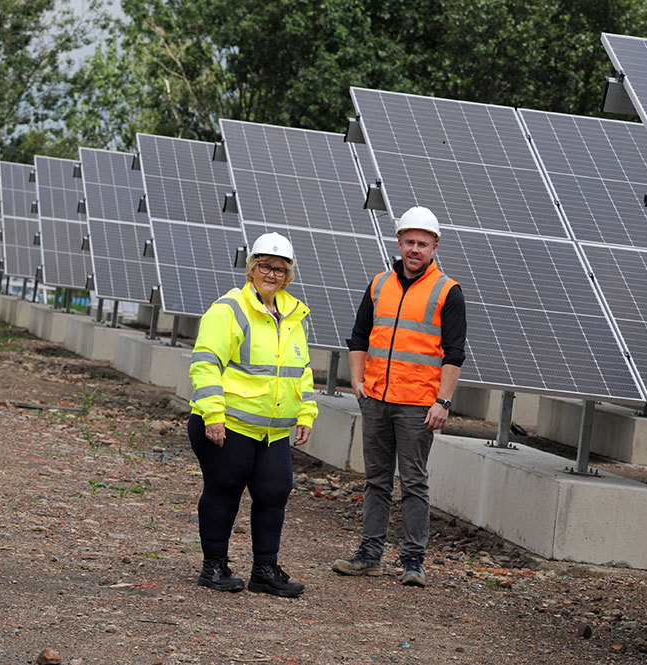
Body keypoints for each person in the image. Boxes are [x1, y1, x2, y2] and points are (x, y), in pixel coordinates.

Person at [332, 206, 466, 587]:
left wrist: (443, 401)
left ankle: (412, 561)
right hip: (375, 398)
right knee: (376, 480)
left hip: (418, 405)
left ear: (435, 246)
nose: (415, 249)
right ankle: (370, 555)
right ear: (399, 242)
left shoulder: (448, 291)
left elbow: (454, 352)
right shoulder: (378, 284)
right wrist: (357, 382)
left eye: (423, 243)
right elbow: (359, 337)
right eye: (409, 241)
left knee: (413, 482)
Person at [187, 232, 317, 597]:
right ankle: (214, 567)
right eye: (264, 266)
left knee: (274, 492)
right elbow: (205, 364)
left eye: (279, 268)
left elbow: (301, 369)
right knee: (224, 490)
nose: (271, 274)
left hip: (272, 431)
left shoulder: (293, 314)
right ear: (251, 269)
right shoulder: (229, 309)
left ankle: (265, 569)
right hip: (227, 425)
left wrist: (306, 413)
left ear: (288, 274)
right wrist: (213, 414)